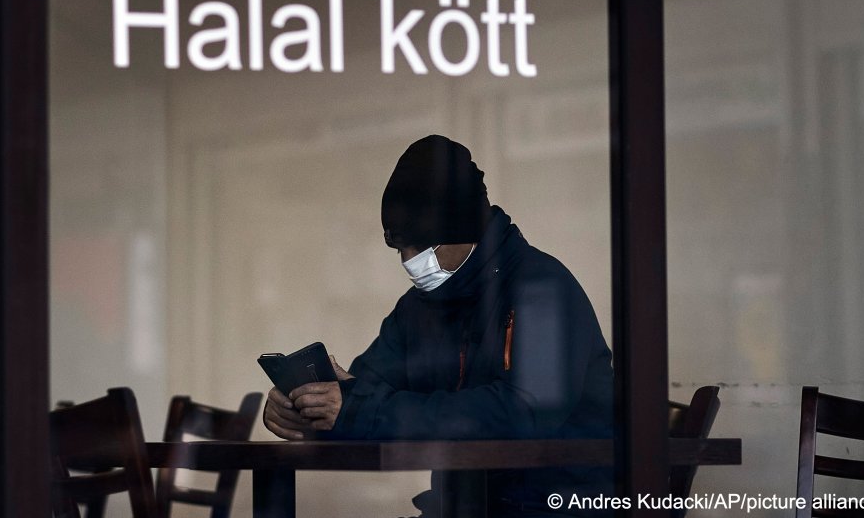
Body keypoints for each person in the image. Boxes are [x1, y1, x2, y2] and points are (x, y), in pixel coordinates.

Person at [263, 135, 614, 517]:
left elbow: (522, 411)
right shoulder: (420, 308)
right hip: (465, 508)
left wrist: (356, 409)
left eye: (423, 245)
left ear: (467, 231)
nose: (410, 262)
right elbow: (368, 390)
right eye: (400, 249)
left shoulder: (543, 291)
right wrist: (311, 407)